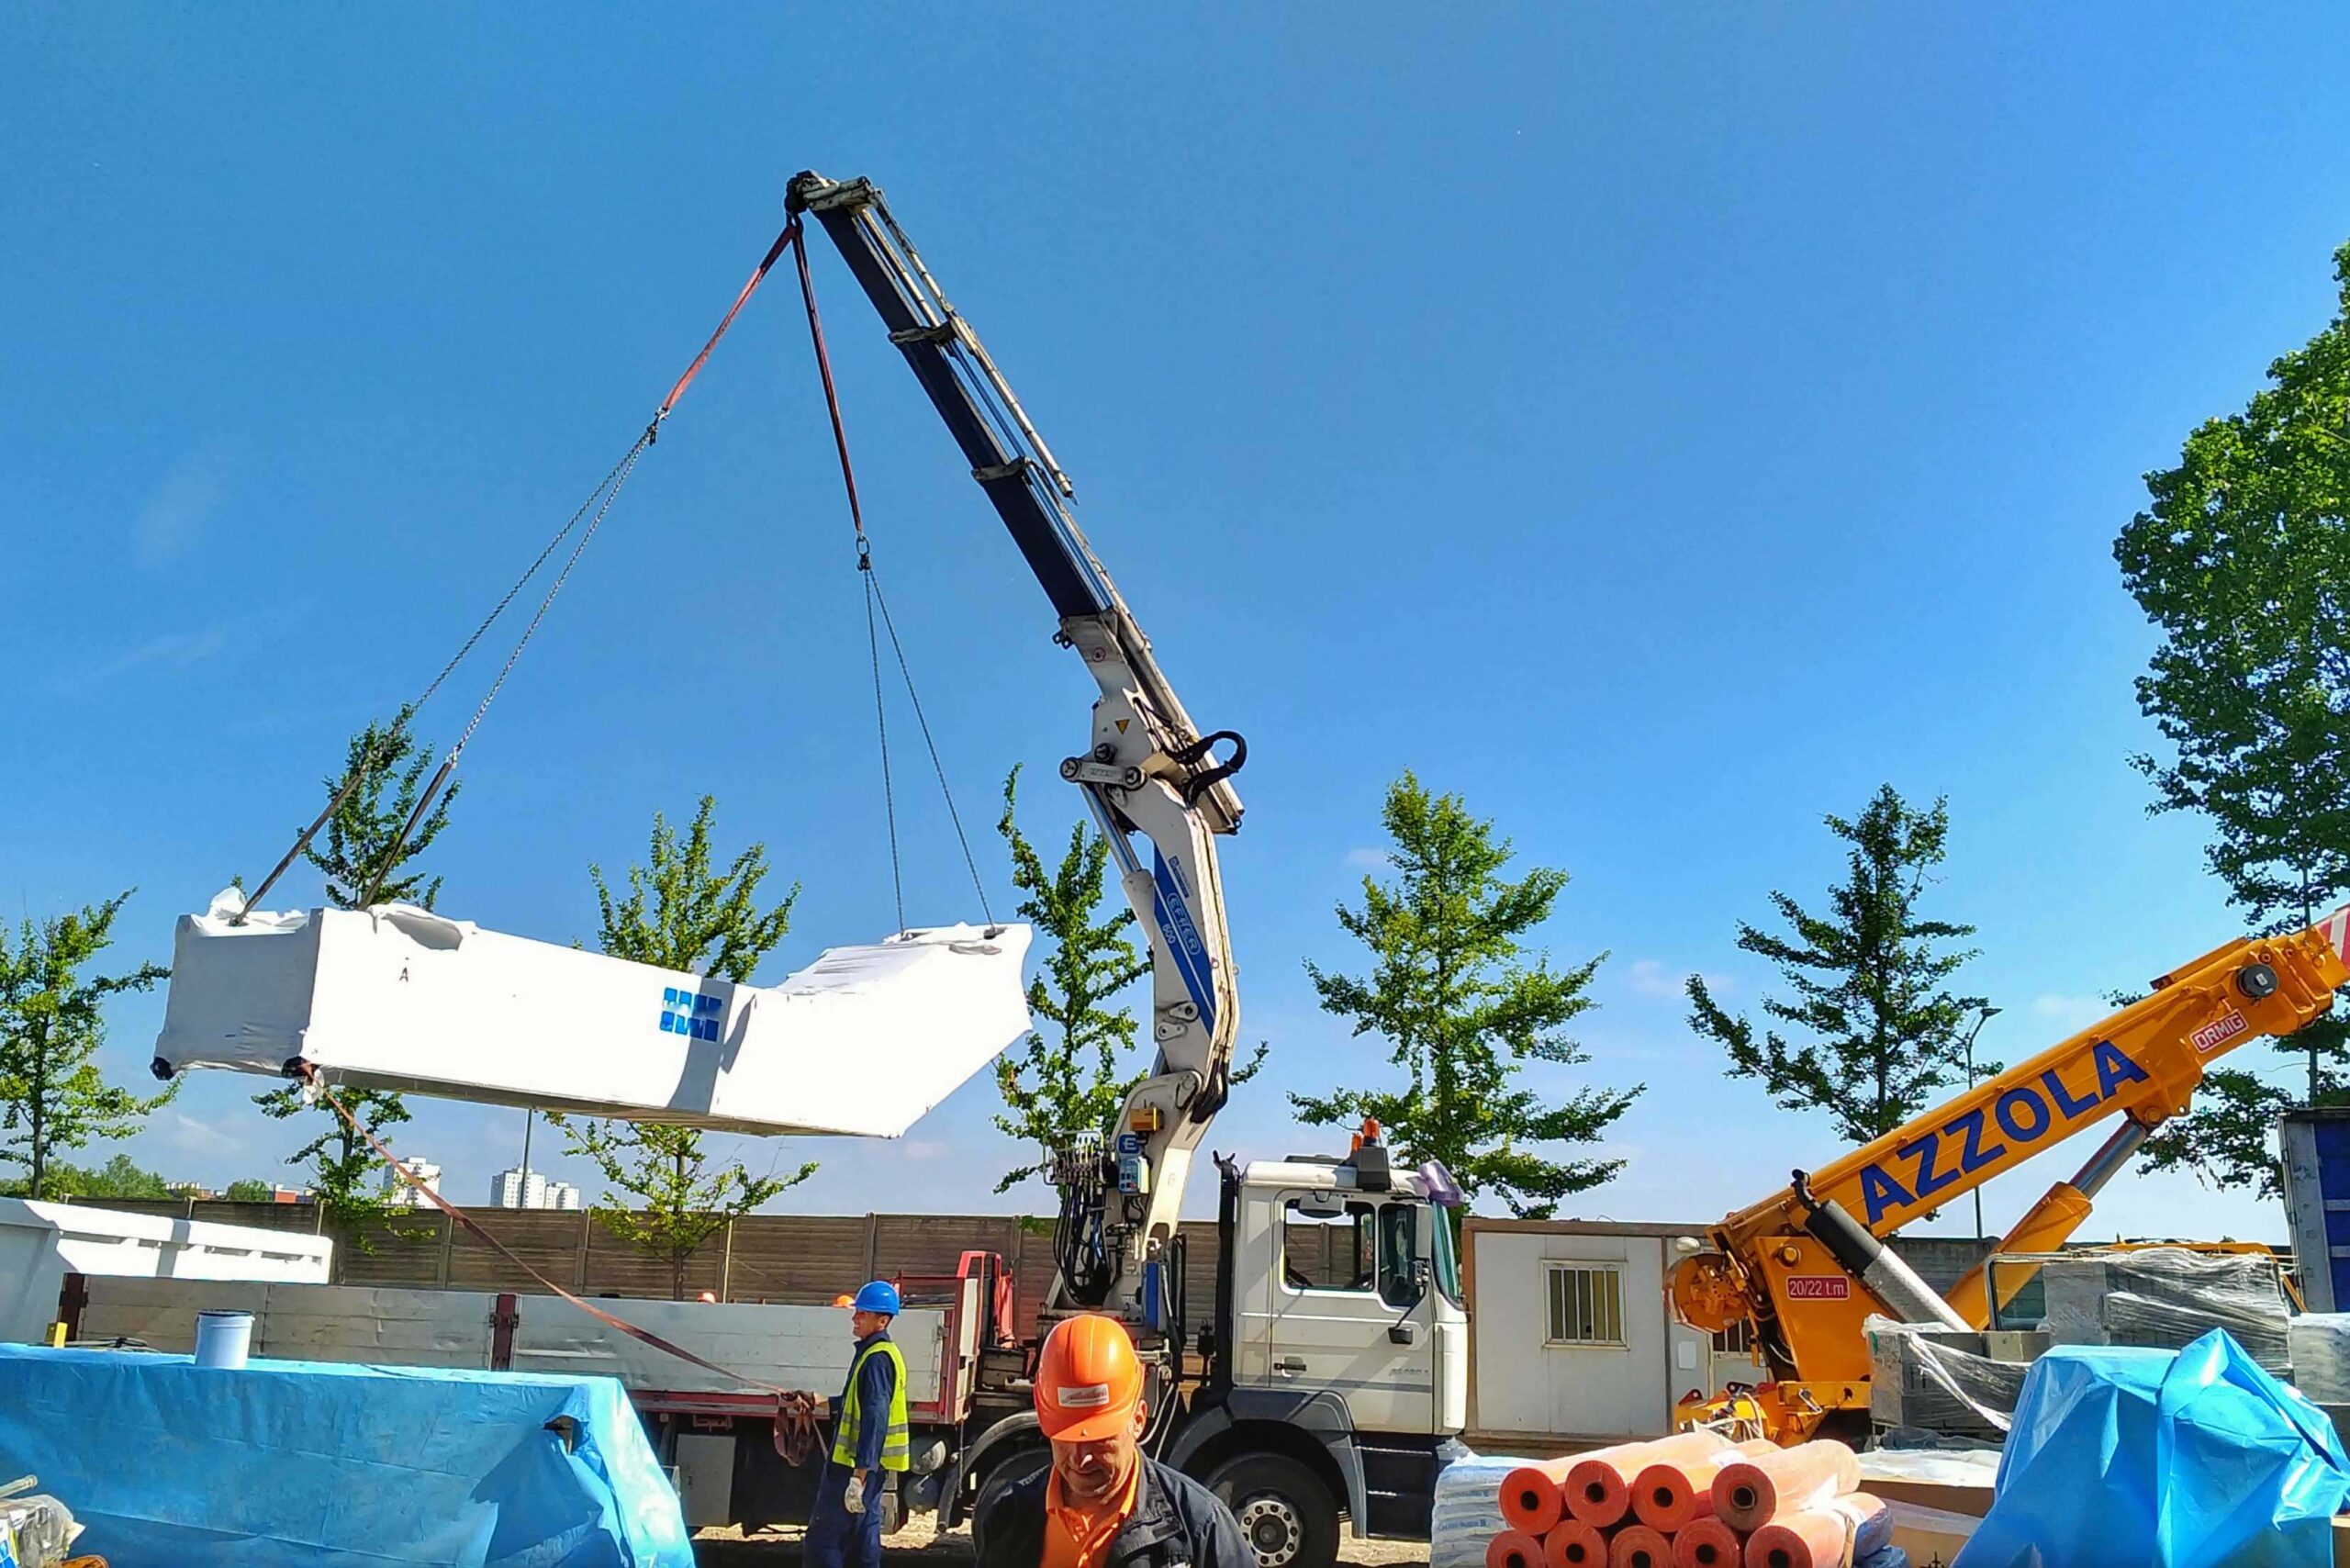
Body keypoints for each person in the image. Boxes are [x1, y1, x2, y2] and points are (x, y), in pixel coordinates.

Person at [973, 1314, 1250, 1568]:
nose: (1080, 1459)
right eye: (1065, 1439)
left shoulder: (1201, 1528)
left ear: (1139, 1420)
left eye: (1099, 1440)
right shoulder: (1009, 1518)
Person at [805, 1280, 911, 1568]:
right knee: (862, 1540)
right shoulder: (877, 1354)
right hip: (868, 1468)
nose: (855, 1317)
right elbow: (858, 1401)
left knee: (824, 1542)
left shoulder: (876, 1359)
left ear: (882, 1320)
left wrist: (858, 1477)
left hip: (853, 1467)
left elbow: (875, 1419)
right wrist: (819, 1401)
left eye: (862, 1313)